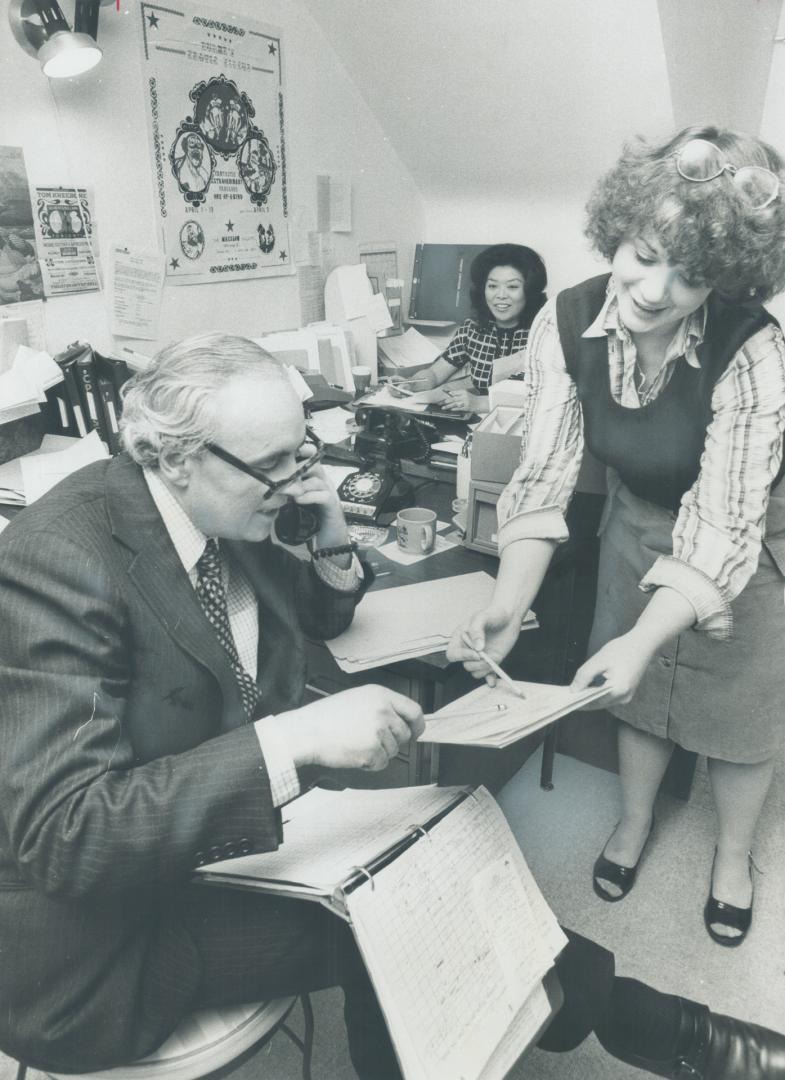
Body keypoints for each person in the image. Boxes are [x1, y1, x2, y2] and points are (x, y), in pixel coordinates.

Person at [1, 333, 784, 1080]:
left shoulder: (223, 506)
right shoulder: (59, 562)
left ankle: (666, 1033)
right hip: (97, 932)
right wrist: (295, 737)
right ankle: (671, 1035)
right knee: (401, 922)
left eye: (300, 450)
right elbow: (62, 836)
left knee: (444, 860)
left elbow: (318, 615)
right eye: (274, 463)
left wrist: (329, 525)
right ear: (171, 458)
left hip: (204, 827)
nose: (294, 476)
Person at [449, 125, 785, 951]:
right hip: (636, 521)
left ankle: (732, 858)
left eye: (691, 273)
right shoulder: (563, 321)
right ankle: (633, 826)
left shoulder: (753, 349)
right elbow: (543, 475)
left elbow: (721, 519)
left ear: (727, 277)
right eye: (642, 253)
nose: (654, 288)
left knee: (739, 719)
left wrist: (646, 635)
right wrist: (508, 600)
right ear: (616, 231)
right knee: (632, 695)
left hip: (749, 540)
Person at [400, 242, 547, 414]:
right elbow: (435, 373)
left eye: (512, 287)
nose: (500, 295)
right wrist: (409, 384)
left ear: (529, 291)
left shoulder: (543, 334)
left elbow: (544, 396)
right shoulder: (473, 328)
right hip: (477, 425)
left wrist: (480, 403)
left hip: (525, 428)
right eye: (492, 286)